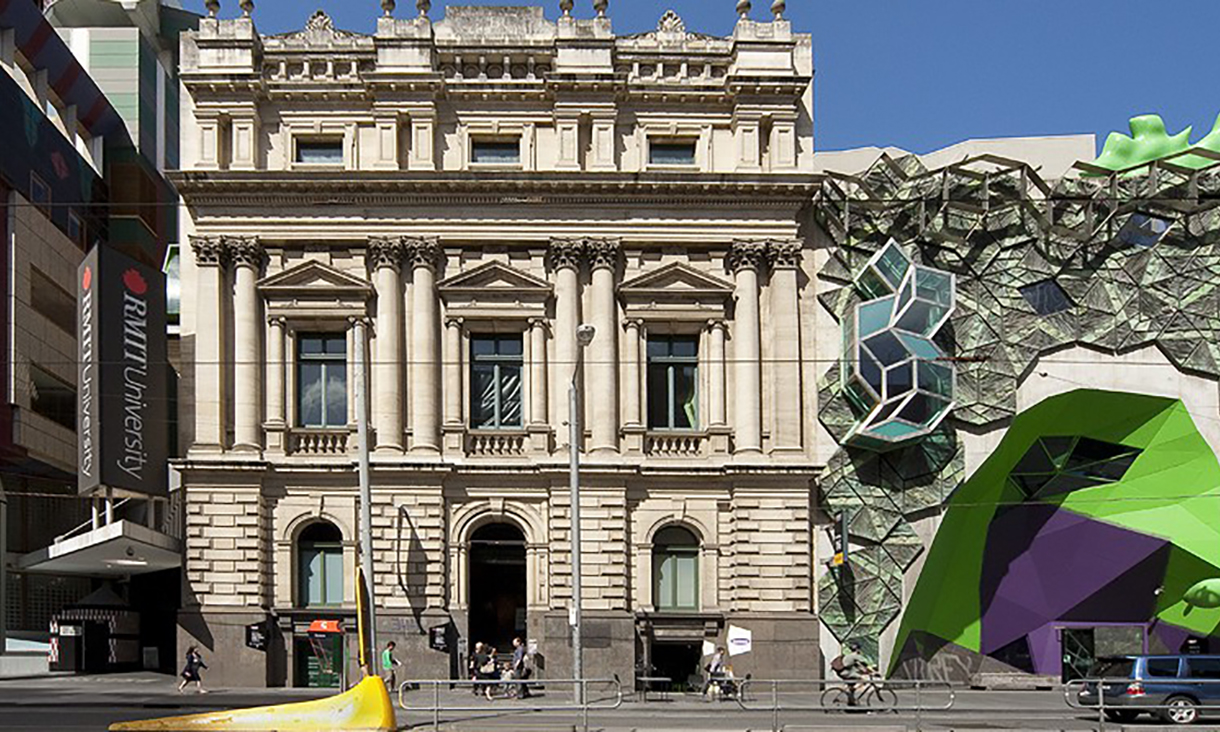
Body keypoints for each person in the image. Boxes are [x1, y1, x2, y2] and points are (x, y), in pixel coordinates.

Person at [832, 642, 873, 707]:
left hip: (843, 672)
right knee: (862, 679)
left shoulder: (849, 655)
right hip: (845, 673)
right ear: (857, 649)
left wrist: (866, 671)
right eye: (859, 649)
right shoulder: (855, 656)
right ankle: (853, 689)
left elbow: (859, 666)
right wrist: (872, 671)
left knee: (852, 684)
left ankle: (851, 702)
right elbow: (865, 663)